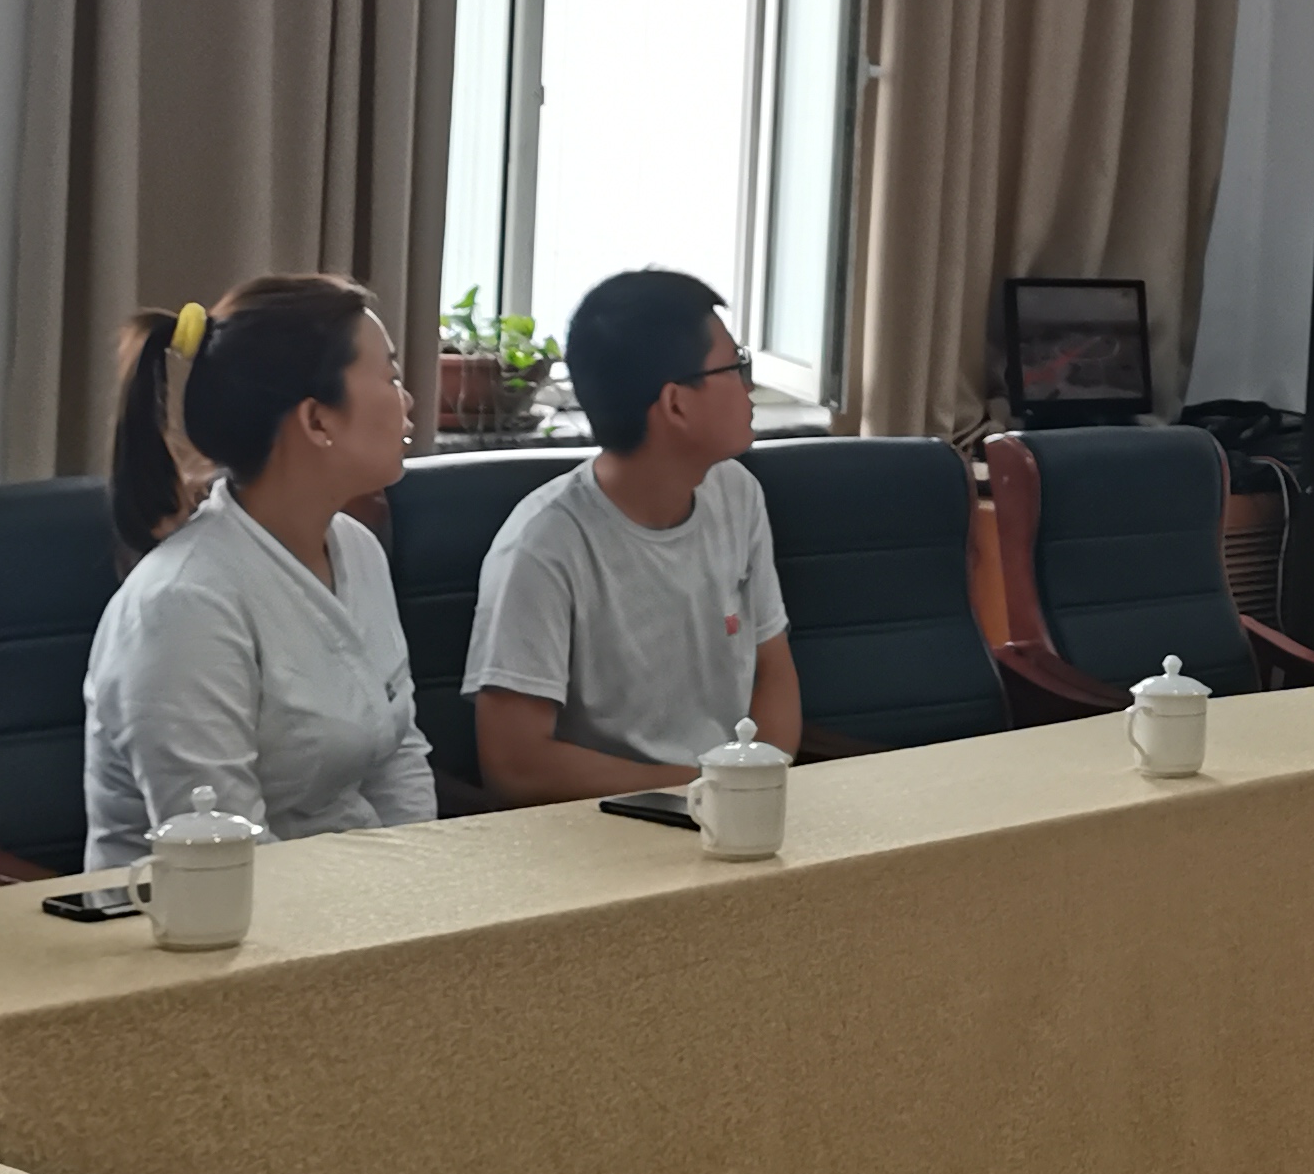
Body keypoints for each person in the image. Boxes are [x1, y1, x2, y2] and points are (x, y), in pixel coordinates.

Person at [79, 277, 433, 873]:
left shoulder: (357, 550)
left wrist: (422, 884)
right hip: (203, 914)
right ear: (317, 420)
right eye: (392, 377)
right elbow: (224, 852)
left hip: (357, 897)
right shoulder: (183, 604)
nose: (409, 401)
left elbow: (398, 757)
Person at [460, 268, 797, 803]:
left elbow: (772, 673)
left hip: (733, 806)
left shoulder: (737, 494)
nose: (749, 386)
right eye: (736, 367)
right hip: (609, 822)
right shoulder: (544, 544)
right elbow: (516, 766)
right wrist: (706, 791)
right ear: (676, 403)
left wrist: (760, 786)